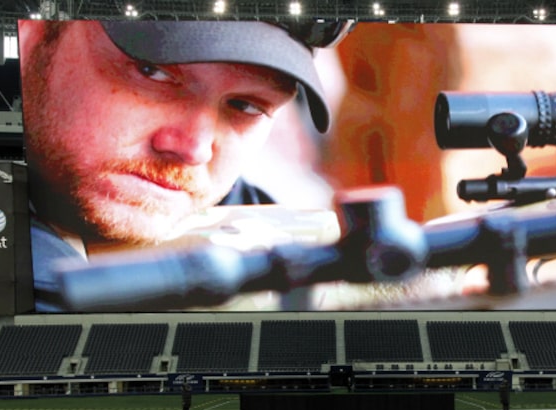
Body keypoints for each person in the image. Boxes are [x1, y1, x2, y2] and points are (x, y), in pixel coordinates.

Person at [18, 19, 352, 311]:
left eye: (245, 105)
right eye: (153, 71)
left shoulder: (268, 233)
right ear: (26, 31)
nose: (194, 149)